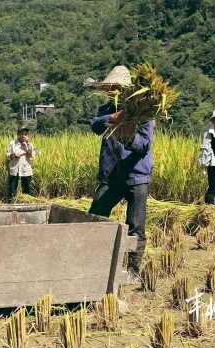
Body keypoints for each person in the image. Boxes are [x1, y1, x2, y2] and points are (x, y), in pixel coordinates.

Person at [88, 65, 154, 275]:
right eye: (110, 87)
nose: (112, 90)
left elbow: (144, 145)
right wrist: (115, 118)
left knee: (136, 225)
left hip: (136, 175)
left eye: (116, 87)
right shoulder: (107, 109)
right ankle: (96, 262)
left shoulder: (145, 111)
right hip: (111, 175)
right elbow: (95, 125)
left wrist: (127, 134)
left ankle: (133, 271)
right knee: (96, 216)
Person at [7, 127, 37, 203]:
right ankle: (11, 203)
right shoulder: (12, 143)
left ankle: (26, 202)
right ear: (18, 134)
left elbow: (32, 155)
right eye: (21, 134)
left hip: (25, 169)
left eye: (25, 134)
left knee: (26, 188)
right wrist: (13, 155)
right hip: (15, 168)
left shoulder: (30, 145)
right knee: (12, 187)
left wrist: (27, 145)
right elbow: (7, 155)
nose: (23, 136)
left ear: (28, 136)